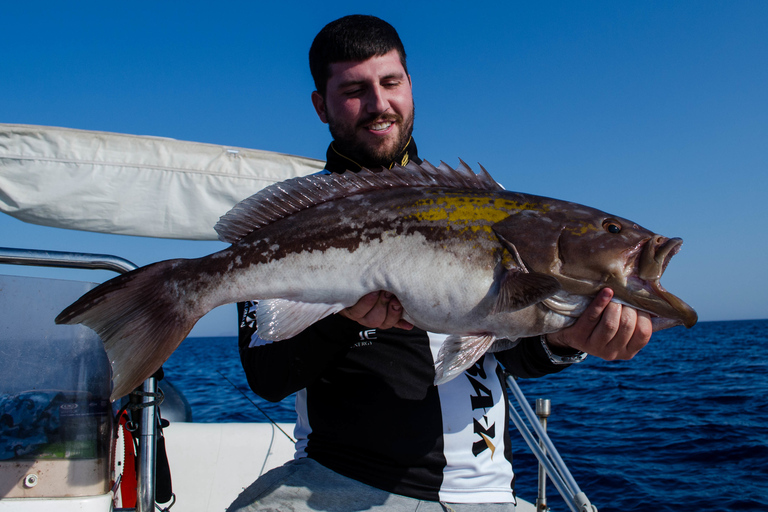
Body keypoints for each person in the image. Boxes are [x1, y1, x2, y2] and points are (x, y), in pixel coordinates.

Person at [229, 15, 652, 512]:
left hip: (491, 493)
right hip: (343, 482)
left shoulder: (477, 210)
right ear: (322, 106)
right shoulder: (296, 222)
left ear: (411, 86)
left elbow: (507, 352)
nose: (379, 104)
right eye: (354, 90)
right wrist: (342, 317)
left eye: (391, 83)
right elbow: (268, 375)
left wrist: (564, 341)